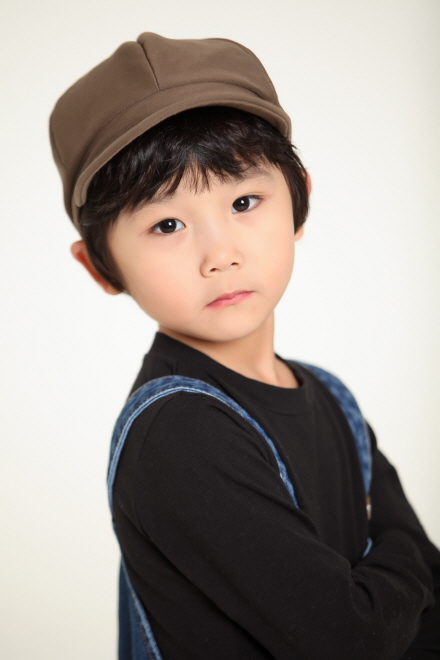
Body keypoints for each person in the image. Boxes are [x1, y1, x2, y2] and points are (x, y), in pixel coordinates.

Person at [50, 32, 440, 659]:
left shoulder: (330, 397)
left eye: (244, 201)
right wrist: (402, 556)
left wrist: (398, 575)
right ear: (99, 266)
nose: (220, 254)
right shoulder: (180, 432)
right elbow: (351, 639)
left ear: (299, 200)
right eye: (167, 224)